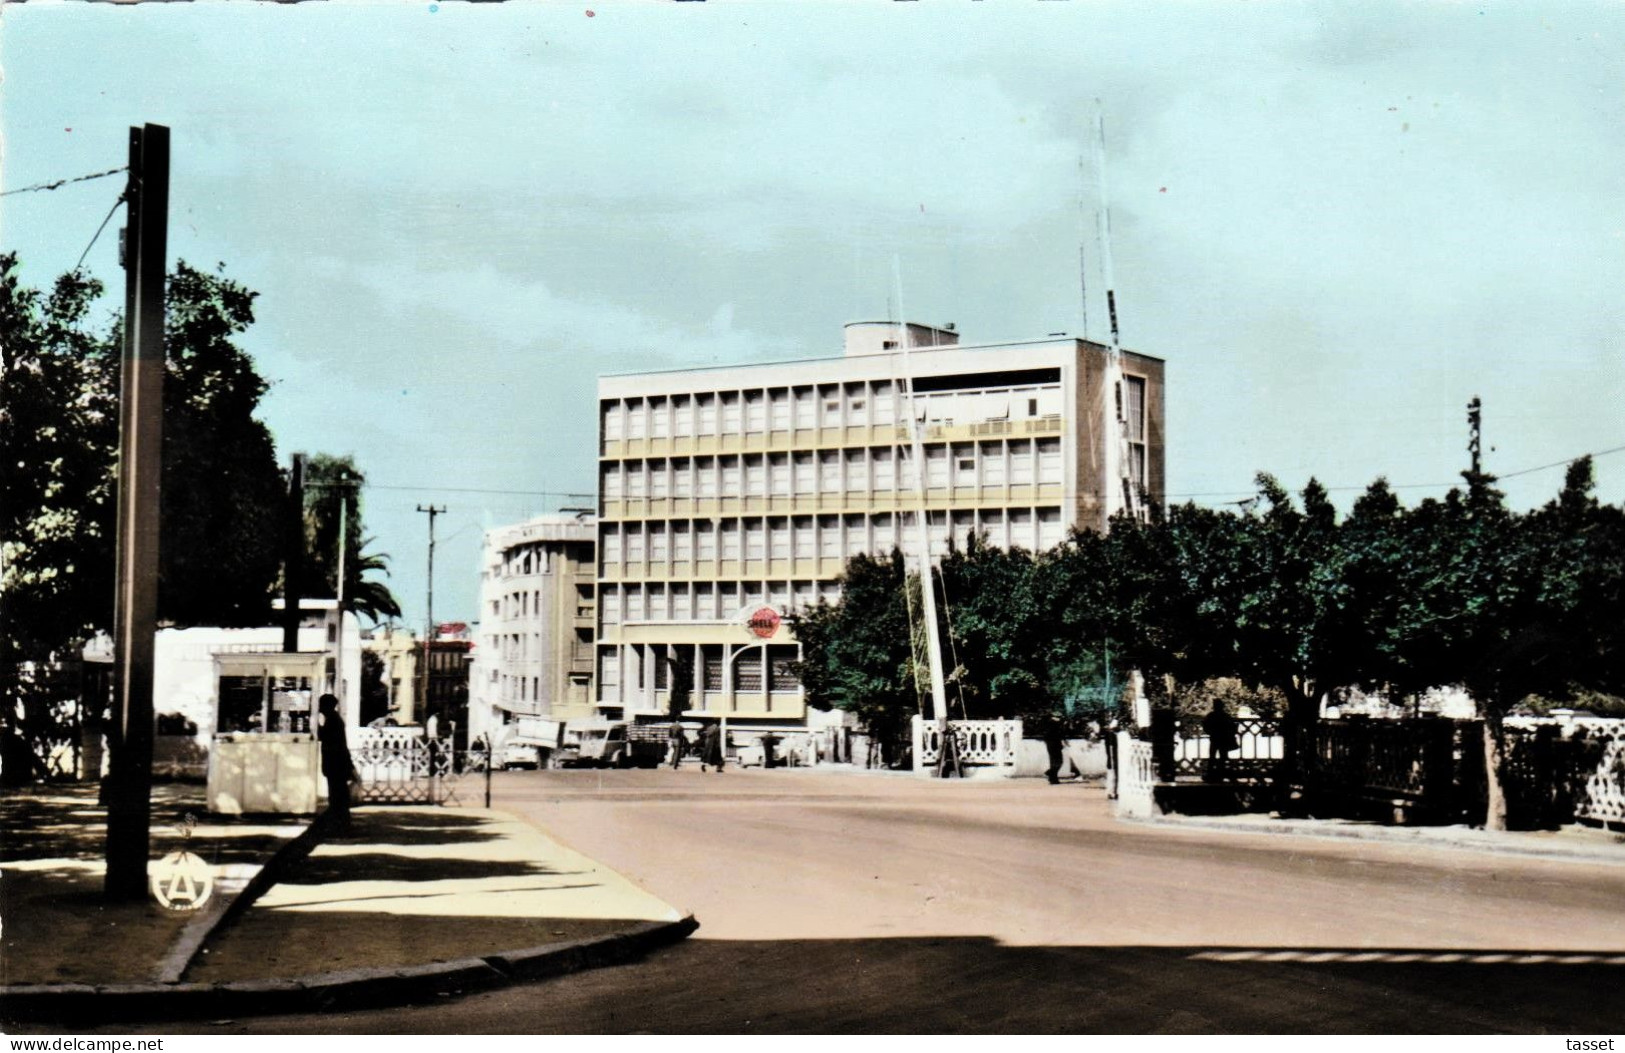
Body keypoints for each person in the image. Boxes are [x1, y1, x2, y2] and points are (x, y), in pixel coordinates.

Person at [316, 693, 355, 828]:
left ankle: (341, 824)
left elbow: (325, 738)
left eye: (321, 705)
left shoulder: (333, 720)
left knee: (337, 795)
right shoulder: (334, 719)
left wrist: (314, 724)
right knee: (338, 794)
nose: (319, 708)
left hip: (336, 764)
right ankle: (341, 822)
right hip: (337, 763)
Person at [1203, 699, 1238, 782]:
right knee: (1222, 757)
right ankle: (1220, 773)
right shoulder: (1225, 716)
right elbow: (1232, 727)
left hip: (1215, 738)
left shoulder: (1211, 715)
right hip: (1223, 739)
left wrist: (1211, 731)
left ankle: (1211, 774)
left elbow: (1206, 726)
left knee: (1212, 757)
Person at [1042, 718, 1067, 785]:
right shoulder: (1055, 725)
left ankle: (1053, 778)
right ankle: (1050, 773)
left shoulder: (1049, 725)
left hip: (1051, 745)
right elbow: (1060, 734)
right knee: (1058, 761)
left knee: (1054, 762)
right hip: (1055, 745)